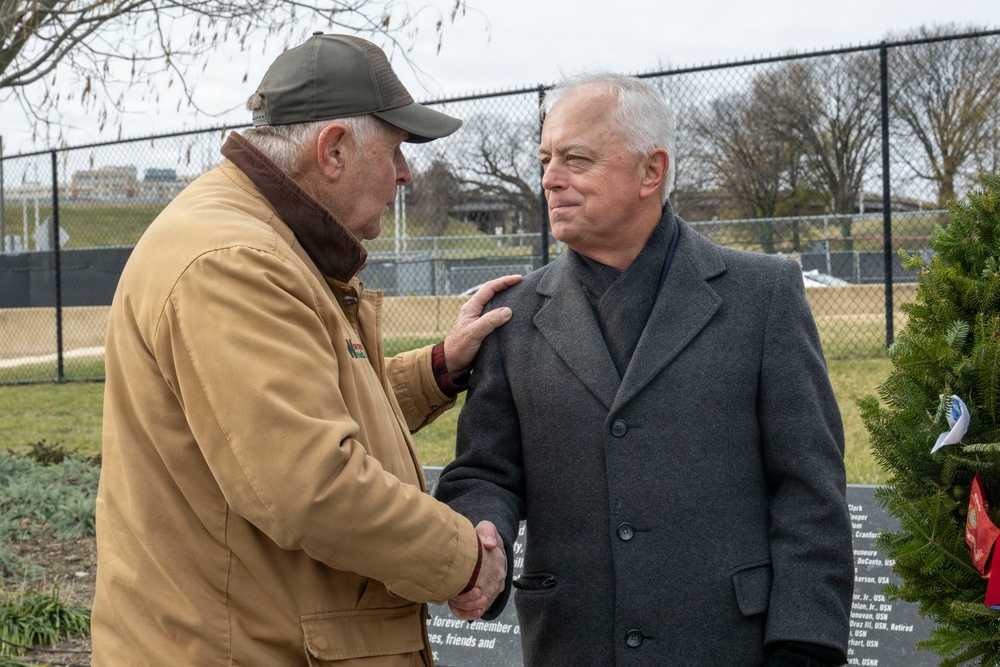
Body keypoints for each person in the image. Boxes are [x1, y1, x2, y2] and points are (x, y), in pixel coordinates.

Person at [91, 33, 514, 666]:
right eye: (397, 151)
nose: (406, 173)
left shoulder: (259, 238)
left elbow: (299, 408)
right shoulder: (236, 263)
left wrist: (438, 368)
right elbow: (312, 486)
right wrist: (465, 561)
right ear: (334, 150)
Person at [435, 72, 854, 667]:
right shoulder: (513, 315)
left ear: (650, 172)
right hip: (571, 644)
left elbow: (810, 490)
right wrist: (480, 539)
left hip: (732, 647)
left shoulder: (763, 297)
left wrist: (805, 644)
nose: (550, 179)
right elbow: (485, 471)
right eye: (547, 159)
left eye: (576, 160)